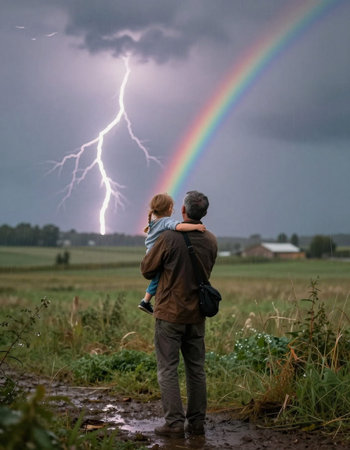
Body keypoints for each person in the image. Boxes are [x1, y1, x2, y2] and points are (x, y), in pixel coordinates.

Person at [140, 190, 217, 437]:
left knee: (167, 369)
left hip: (169, 314)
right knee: (196, 369)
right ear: (203, 213)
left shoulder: (169, 238)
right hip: (197, 316)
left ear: (183, 211)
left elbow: (147, 269)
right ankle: (196, 424)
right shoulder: (211, 240)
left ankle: (173, 424)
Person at [138, 193, 206, 315]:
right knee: (158, 278)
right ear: (169, 208)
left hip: (150, 251)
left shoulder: (154, 221)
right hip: (155, 253)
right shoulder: (165, 221)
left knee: (158, 277)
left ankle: (146, 300)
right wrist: (196, 227)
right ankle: (145, 300)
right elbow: (179, 227)